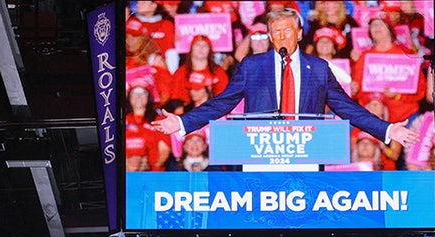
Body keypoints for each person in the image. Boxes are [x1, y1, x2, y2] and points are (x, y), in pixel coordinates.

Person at [149, 7, 419, 149]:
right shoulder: (252, 66)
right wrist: (183, 122)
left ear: (299, 33)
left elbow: (347, 108)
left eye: (287, 31)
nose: (281, 37)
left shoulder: (319, 68)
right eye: (275, 32)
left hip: (307, 152)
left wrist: (386, 129)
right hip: (260, 152)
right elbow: (222, 103)